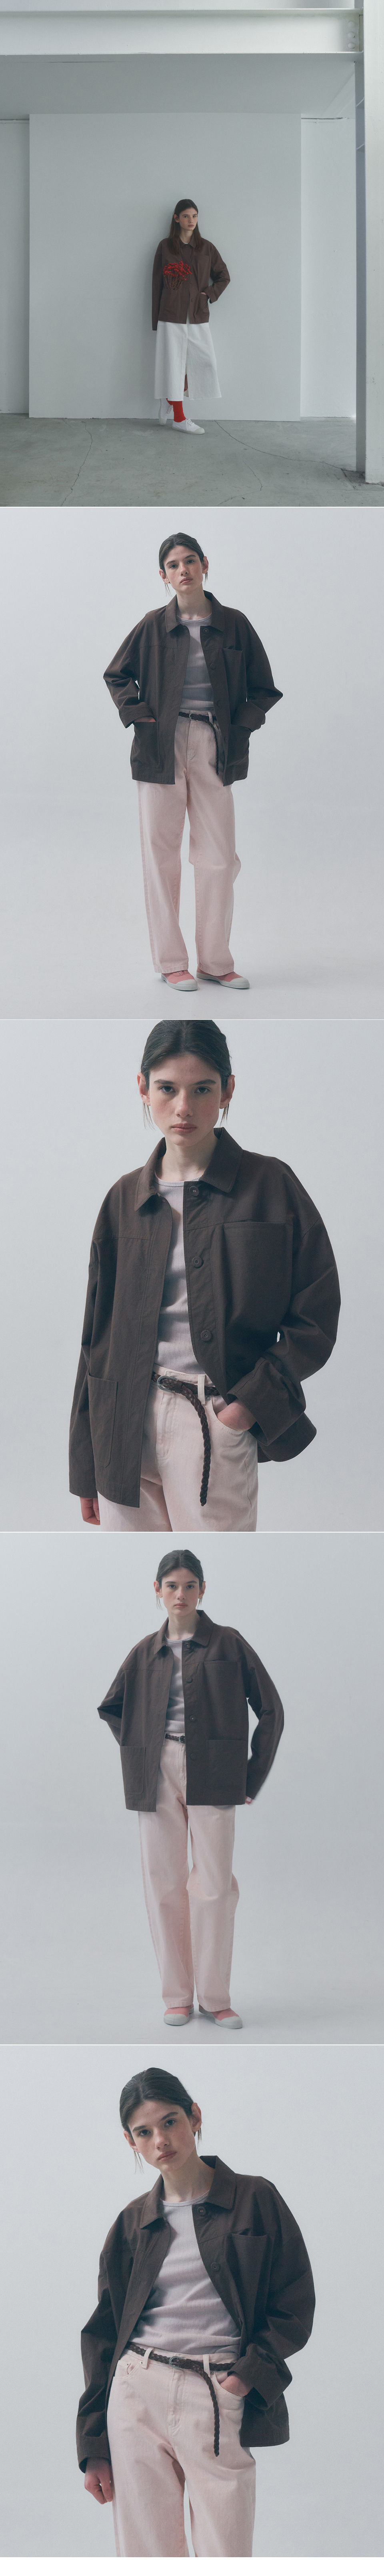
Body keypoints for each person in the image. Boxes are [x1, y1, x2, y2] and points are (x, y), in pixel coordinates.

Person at [70, 1018, 340, 1532]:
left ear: (228, 1090)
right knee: (131, 1564)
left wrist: (243, 1409)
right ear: (143, 1088)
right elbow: (95, 1339)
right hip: (120, 1427)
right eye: (167, 1088)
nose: (184, 1108)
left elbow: (316, 1316)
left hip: (212, 1419)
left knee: (221, 1558)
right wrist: (85, 1462)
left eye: (202, 1089)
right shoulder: (123, 1199)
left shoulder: (271, 1185)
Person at [77, 2064, 315, 2558]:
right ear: (131, 2142)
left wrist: (244, 2379)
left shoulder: (255, 2198)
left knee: (226, 2553)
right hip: (136, 2392)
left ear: (195, 2117)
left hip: (217, 2391)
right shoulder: (132, 2224)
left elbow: (294, 2303)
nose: (161, 2140)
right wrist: (94, 2444)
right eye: (145, 2132)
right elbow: (103, 2334)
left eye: (170, 2122)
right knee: (147, 2555)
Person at [98, 1547, 284, 2028]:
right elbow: (112, 1707)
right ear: (157, 1591)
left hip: (216, 1770)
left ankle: (216, 1998)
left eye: (189, 1585)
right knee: (163, 1885)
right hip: (156, 1773)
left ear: (203, 1590)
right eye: (172, 1585)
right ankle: (177, 1996)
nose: (180, 1594)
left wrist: (251, 1775)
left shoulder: (229, 1643)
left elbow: (271, 1710)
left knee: (215, 1887)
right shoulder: (145, 1651)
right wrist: (142, 1752)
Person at [104, 529, 282, 991]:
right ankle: (171, 962)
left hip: (215, 744)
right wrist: (140, 717)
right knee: (161, 857)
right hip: (160, 746)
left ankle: (215, 963)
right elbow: (117, 675)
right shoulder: (152, 625)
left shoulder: (235, 624)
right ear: (163, 576)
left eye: (189, 561)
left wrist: (242, 726)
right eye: (173, 565)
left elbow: (264, 688)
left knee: (219, 858)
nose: (183, 570)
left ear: (205, 565)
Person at [152, 199, 230, 432]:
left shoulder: (207, 248)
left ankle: (170, 398)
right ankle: (179, 417)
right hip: (171, 314)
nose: (191, 221)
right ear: (177, 219)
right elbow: (157, 284)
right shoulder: (166, 247)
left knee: (204, 362)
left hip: (197, 313)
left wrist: (209, 294)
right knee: (173, 363)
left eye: (195, 216)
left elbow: (224, 277)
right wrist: (156, 320)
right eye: (186, 216)